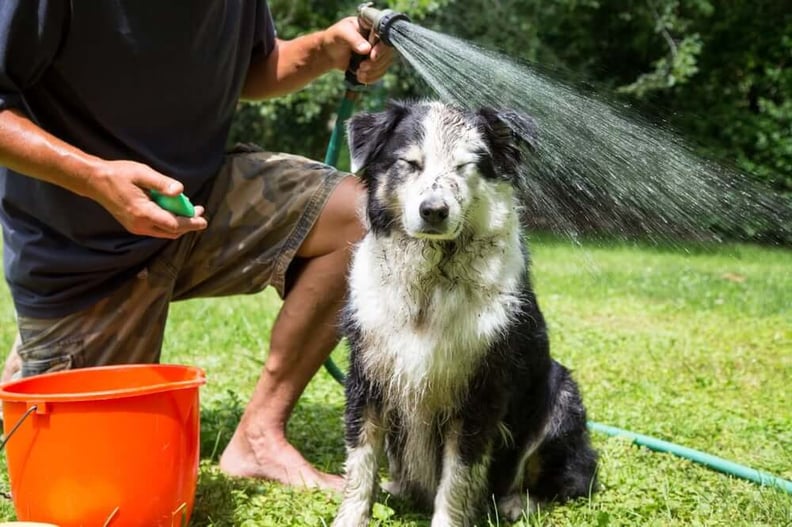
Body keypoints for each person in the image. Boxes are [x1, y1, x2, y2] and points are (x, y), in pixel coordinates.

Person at [0, 1, 393, 490]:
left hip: (195, 202)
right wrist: (94, 178)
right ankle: (50, 347)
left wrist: (323, 50)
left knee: (364, 214)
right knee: (107, 481)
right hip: (84, 252)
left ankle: (259, 437)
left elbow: (252, 68)